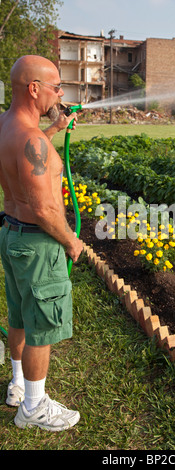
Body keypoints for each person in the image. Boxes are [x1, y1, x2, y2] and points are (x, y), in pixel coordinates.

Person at [0, 55, 83, 431]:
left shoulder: (7, 126)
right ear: (34, 88)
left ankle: (18, 385)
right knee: (43, 328)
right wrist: (71, 241)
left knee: (19, 315)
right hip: (37, 245)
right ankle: (33, 408)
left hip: (12, 235)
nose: (60, 94)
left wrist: (53, 130)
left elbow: (28, 159)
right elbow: (44, 207)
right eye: (55, 87)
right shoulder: (31, 138)